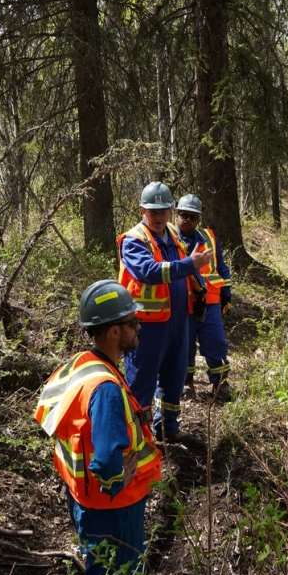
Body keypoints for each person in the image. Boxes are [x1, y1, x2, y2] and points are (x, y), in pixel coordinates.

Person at [33, 280, 162, 575]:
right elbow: (105, 461)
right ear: (115, 332)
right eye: (133, 322)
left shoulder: (82, 363)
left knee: (100, 570)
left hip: (84, 498)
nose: (139, 328)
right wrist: (118, 479)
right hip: (113, 507)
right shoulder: (106, 390)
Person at [117, 181, 212, 443]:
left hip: (177, 322)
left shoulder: (173, 234)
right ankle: (137, 438)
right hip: (144, 328)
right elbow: (148, 272)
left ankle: (167, 426)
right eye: (152, 211)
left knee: (175, 377)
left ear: (171, 210)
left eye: (163, 211)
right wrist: (188, 265)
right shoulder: (134, 240)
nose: (158, 217)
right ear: (142, 211)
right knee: (142, 384)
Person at [173, 194, 234, 403]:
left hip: (210, 303)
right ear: (176, 214)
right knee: (184, 345)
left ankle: (220, 382)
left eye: (193, 216)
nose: (188, 220)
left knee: (216, 342)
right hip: (183, 304)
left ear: (199, 218)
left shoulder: (209, 237)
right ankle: (186, 382)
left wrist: (226, 295)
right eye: (184, 215)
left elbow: (222, 268)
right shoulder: (168, 239)